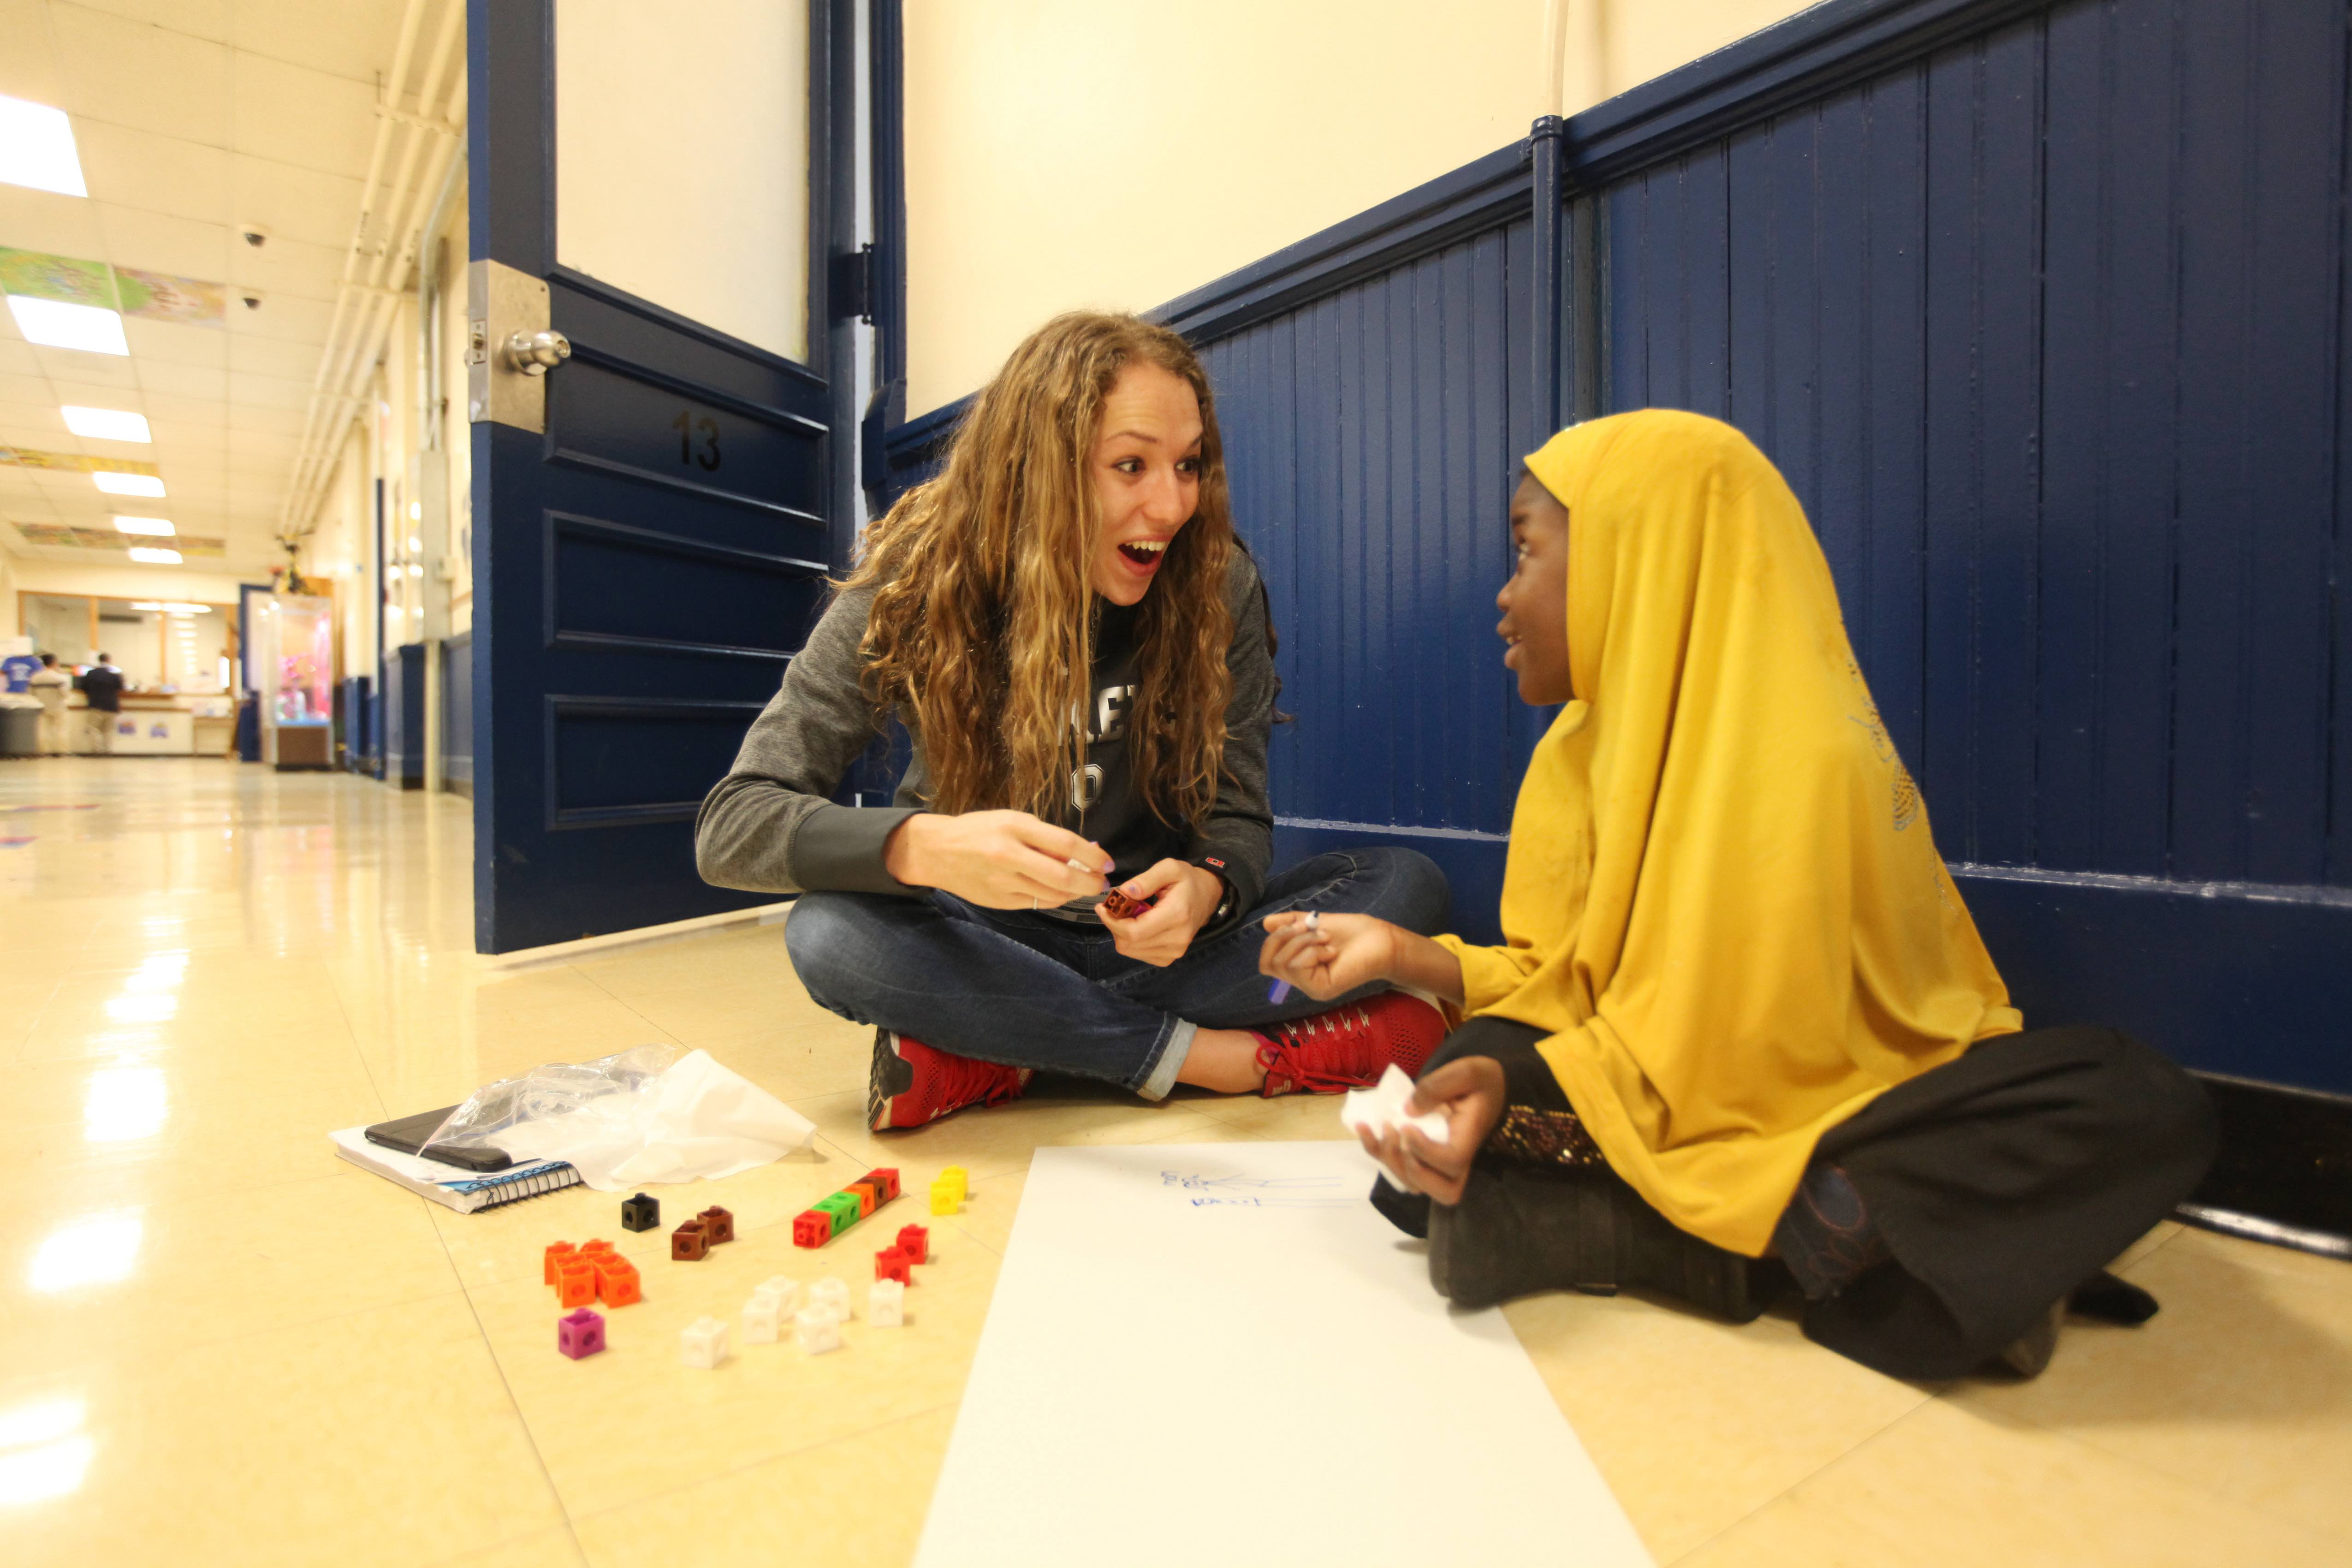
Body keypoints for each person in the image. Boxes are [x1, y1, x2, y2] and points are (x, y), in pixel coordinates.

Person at [1258, 410, 2215, 1380]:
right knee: (1478, 1059)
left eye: (1526, 551)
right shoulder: (1581, 752)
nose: (1505, 598)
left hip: (1825, 1096)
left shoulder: (1810, 752)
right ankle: (1846, 1245)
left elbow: (1769, 1043)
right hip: (1656, 1081)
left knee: (2141, 1097)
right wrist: (1407, 957)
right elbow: (1573, 980)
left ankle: (1667, 1236)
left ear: (1645, 557)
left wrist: (1538, 1092)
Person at [698, 312, 1451, 1131]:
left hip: (1158, 947)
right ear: (1037, 470)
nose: (1170, 506)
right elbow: (732, 824)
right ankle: (1215, 1058)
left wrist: (1207, 888)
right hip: (977, 937)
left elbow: (1237, 816)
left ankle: (1005, 1046)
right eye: (1130, 466)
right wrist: (925, 847)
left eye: (1189, 465)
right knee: (830, 934)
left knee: (1403, 887)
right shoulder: (918, 573)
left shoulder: (1217, 579)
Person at [77, 653, 123, 755]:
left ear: (99, 661)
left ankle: (96, 751)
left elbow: (82, 687)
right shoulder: (115, 675)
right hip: (111, 705)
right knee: (109, 730)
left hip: (95, 704)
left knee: (94, 728)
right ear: (109, 660)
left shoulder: (91, 674)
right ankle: (108, 750)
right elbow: (121, 688)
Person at [28, 653, 71, 755]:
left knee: (43, 730)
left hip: (42, 707)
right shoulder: (59, 677)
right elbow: (65, 694)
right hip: (58, 707)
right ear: (54, 663)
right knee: (62, 729)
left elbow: (31, 693)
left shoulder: (35, 677)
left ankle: (44, 751)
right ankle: (62, 751)